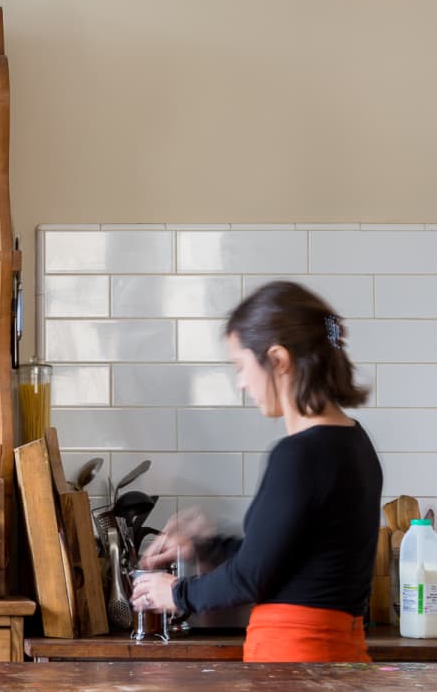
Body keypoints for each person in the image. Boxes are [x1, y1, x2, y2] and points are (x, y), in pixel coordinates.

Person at [131, 280, 382, 662]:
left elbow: (250, 578)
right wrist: (206, 546)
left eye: (241, 365)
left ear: (278, 360)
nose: (242, 382)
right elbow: (284, 560)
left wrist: (177, 593)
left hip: (295, 664)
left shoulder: (299, 454)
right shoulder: (355, 444)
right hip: (338, 656)